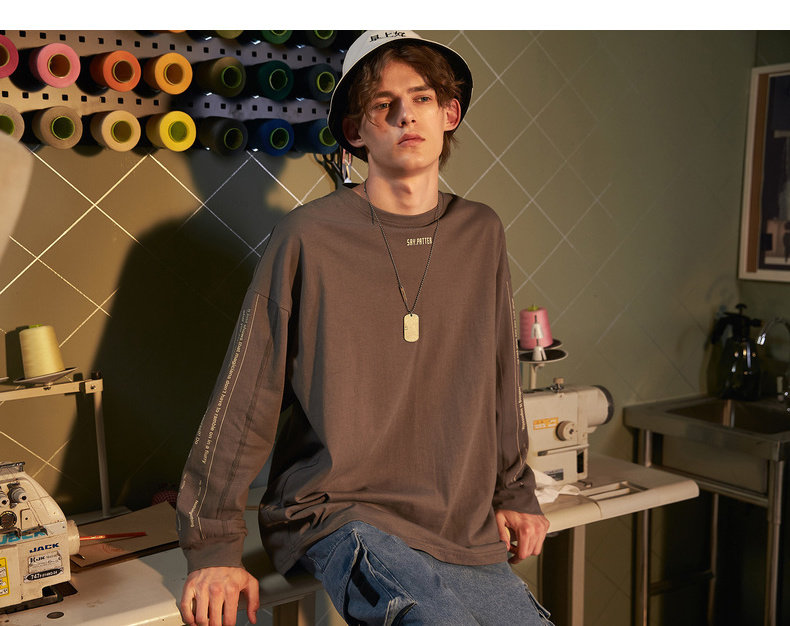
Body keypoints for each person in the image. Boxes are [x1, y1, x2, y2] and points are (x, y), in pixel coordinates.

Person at [177, 30, 552, 626]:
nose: (406, 114)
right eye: (384, 103)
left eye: (422, 97)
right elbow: (247, 394)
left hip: (460, 521)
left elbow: (501, 380)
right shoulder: (309, 236)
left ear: (450, 114)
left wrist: (514, 492)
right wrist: (213, 544)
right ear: (356, 131)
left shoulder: (481, 232)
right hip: (340, 510)